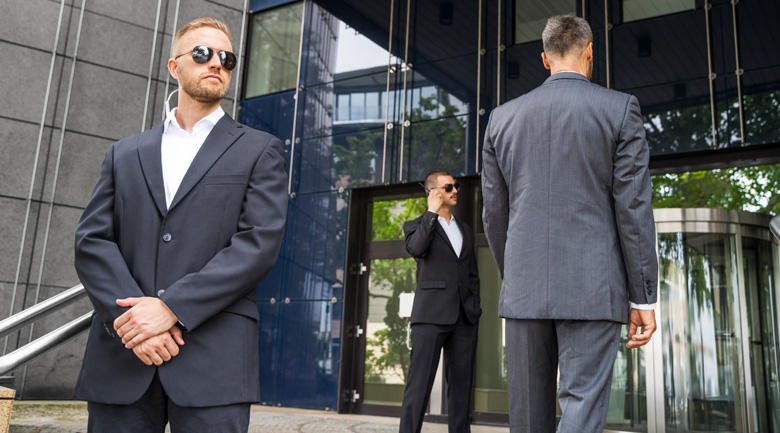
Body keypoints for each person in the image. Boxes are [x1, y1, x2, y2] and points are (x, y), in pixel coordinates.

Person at [72, 17, 287, 432]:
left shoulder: (261, 150)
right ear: (174, 67)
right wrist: (137, 325)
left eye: (227, 58)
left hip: (214, 358)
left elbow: (258, 244)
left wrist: (171, 308)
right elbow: (93, 240)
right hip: (124, 355)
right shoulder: (124, 153)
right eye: (203, 54)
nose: (217, 64)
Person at [481, 15, 658, 433]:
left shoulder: (501, 119)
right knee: (582, 407)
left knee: (527, 417)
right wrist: (643, 298)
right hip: (592, 288)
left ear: (544, 59)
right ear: (590, 51)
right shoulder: (619, 109)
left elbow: (494, 214)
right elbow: (633, 210)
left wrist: (518, 277)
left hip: (524, 290)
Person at [399, 171, 481, 433]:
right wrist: (431, 214)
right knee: (419, 386)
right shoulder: (417, 225)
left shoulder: (465, 230)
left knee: (461, 389)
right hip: (430, 317)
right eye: (448, 187)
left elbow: (472, 275)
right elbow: (417, 249)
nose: (455, 190)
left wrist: (475, 308)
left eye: (455, 186)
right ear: (433, 191)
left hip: (464, 319)